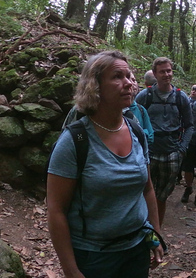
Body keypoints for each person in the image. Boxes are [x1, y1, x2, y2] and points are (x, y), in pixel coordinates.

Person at [47, 50, 164, 278]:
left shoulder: (136, 132)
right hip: (93, 257)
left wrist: (155, 234)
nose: (128, 83)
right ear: (95, 85)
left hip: (137, 250)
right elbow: (56, 210)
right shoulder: (75, 141)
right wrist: (70, 270)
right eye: (117, 76)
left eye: (130, 76)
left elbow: (148, 189)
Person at [135, 57, 193, 225]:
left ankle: (156, 234)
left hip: (172, 153)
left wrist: (181, 149)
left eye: (169, 70)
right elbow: (132, 121)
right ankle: (143, 230)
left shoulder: (181, 97)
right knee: (144, 193)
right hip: (149, 153)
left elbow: (189, 126)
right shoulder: (145, 96)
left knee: (162, 196)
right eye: (162, 71)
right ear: (154, 74)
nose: (167, 74)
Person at [127, 73, 155, 149]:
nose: (132, 83)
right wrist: (143, 132)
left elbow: (151, 137)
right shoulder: (117, 109)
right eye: (129, 80)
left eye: (134, 80)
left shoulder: (141, 109)